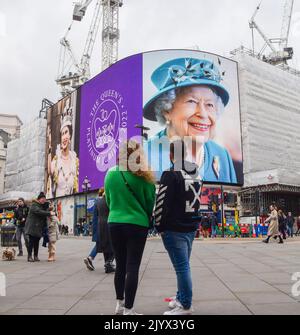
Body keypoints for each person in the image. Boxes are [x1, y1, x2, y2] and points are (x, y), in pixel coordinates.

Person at [144, 57, 238, 184]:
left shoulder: (222, 155)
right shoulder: (144, 156)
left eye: (210, 104)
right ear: (167, 110)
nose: (203, 114)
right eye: (192, 101)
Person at [105, 140, 156, 315]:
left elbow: (108, 201)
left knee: (120, 265)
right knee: (132, 266)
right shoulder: (145, 177)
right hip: (137, 224)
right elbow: (150, 204)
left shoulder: (111, 174)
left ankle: (119, 304)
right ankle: (129, 309)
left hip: (115, 222)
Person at [155, 139, 202, 315]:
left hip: (174, 228)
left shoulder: (170, 173)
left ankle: (186, 305)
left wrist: (158, 225)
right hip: (190, 227)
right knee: (183, 265)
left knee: (182, 267)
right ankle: (180, 297)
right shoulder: (196, 172)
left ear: (171, 155)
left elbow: (162, 202)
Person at [46, 96, 79, 198]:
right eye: (62, 134)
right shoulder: (55, 162)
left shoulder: (76, 161)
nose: (64, 137)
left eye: (66, 133)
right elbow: (49, 179)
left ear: (70, 136)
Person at [84, 188, 115, 273]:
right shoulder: (110, 201)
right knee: (115, 244)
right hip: (110, 223)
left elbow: (94, 218)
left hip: (100, 225)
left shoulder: (97, 202)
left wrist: (93, 231)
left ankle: (106, 264)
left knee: (104, 244)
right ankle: (108, 263)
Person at [25, 192, 53, 262]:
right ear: (39, 199)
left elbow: (43, 211)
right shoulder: (34, 205)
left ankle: (35, 256)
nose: (44, 200)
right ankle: (29, 256)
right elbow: (38, 211)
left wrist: (48, 208)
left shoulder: (41, 205)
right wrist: (49, 213)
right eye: (42, 199)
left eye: (45, 199)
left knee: (37, 242)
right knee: (31, 242)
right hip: (32, 226)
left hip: (38, 227)